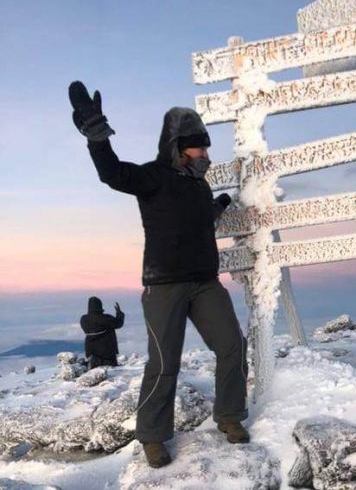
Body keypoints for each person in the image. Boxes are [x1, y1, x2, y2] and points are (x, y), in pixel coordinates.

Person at [68, 81, 249, 468]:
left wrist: (218, 204)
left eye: (205, 149)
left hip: (205, 283)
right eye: (198, 148)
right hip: (163, 285)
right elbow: (113, 174)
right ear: (178, 147)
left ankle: (230, 417)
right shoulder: (152, 176)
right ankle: (151, 436)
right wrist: (97, 136)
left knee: (232, 346)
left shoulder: (199, 186)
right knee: (165, 363)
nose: (204, 155)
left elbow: (197, 222)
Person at [80, 296, 124, 368]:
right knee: (110, 369)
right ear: (100, 305)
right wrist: (119, 313)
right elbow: (118, 324)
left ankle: (92, 363)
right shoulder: (105, 318)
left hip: (91, 350)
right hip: (107, 350)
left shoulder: (84, 319)